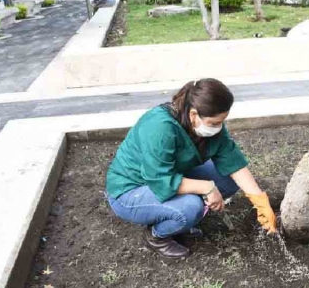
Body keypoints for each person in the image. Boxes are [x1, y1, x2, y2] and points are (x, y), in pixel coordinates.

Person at [106, 79, 277, 258]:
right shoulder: (160, 127)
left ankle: (179, 214)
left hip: (171, 177)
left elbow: (232, 161)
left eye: (221, 121)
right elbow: (159, 180)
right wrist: (207, 188)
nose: (218, 127)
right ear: (194, 114)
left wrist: (260, 200)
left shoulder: (207, 125)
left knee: (227, 178)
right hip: (131, 190)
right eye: (214, 123)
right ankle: (157, 235)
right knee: (190, 208)